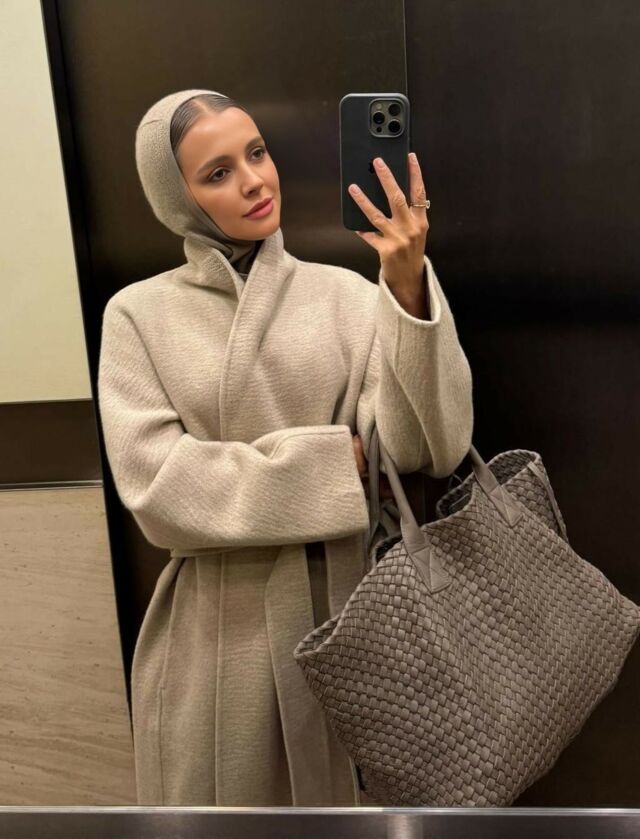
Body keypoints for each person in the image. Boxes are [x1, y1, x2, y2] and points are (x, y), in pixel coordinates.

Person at [97, 88, 474, 806]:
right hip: (216, 636)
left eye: (257, 153)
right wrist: (336, 463)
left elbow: (430, 446)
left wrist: (405, 286)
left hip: (351, 620)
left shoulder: (346, 296)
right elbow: (160, 492)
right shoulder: (138, 316)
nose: (253, 180)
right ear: (176, 196)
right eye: (217, 172)